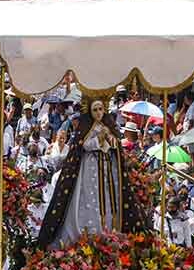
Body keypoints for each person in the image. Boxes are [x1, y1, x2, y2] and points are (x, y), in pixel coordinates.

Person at [37, 100, 145, 249]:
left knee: (109, 199)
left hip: (108, 167)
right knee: (90, 197)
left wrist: (110, 138)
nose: (99, 113)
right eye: (95, 110)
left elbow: (116, 145)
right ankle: (91, 233)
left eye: (101, 109)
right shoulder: (87, 127)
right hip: (90, 168)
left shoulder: (108, 126)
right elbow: (84, 145)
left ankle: (110, 231)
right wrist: (99, 138)